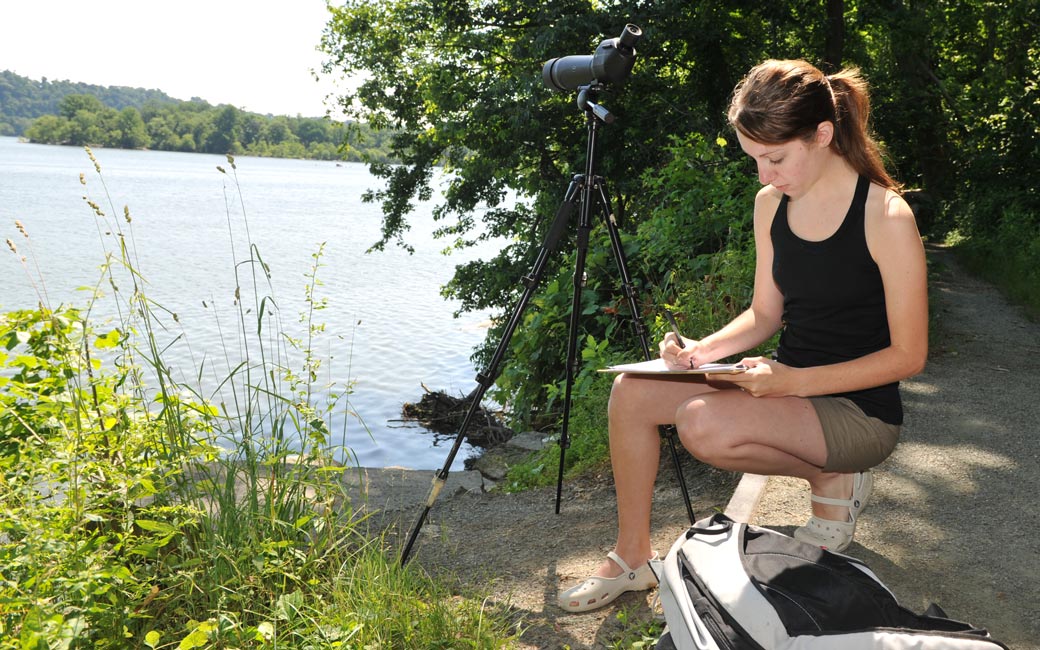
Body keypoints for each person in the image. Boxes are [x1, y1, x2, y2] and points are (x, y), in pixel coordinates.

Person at [558, 59, 929, 613]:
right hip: (788, 390)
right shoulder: (771, 205)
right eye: (754, 158)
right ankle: (632, 558)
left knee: (701, 424)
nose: (764, 175)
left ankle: (837, 475)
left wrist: (793, 382)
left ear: (822, 135)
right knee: (630, 394)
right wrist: (698, 353)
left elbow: (910, 355)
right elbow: (763, 315)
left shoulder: (885, 215)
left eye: (775, 158)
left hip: (858, 413)